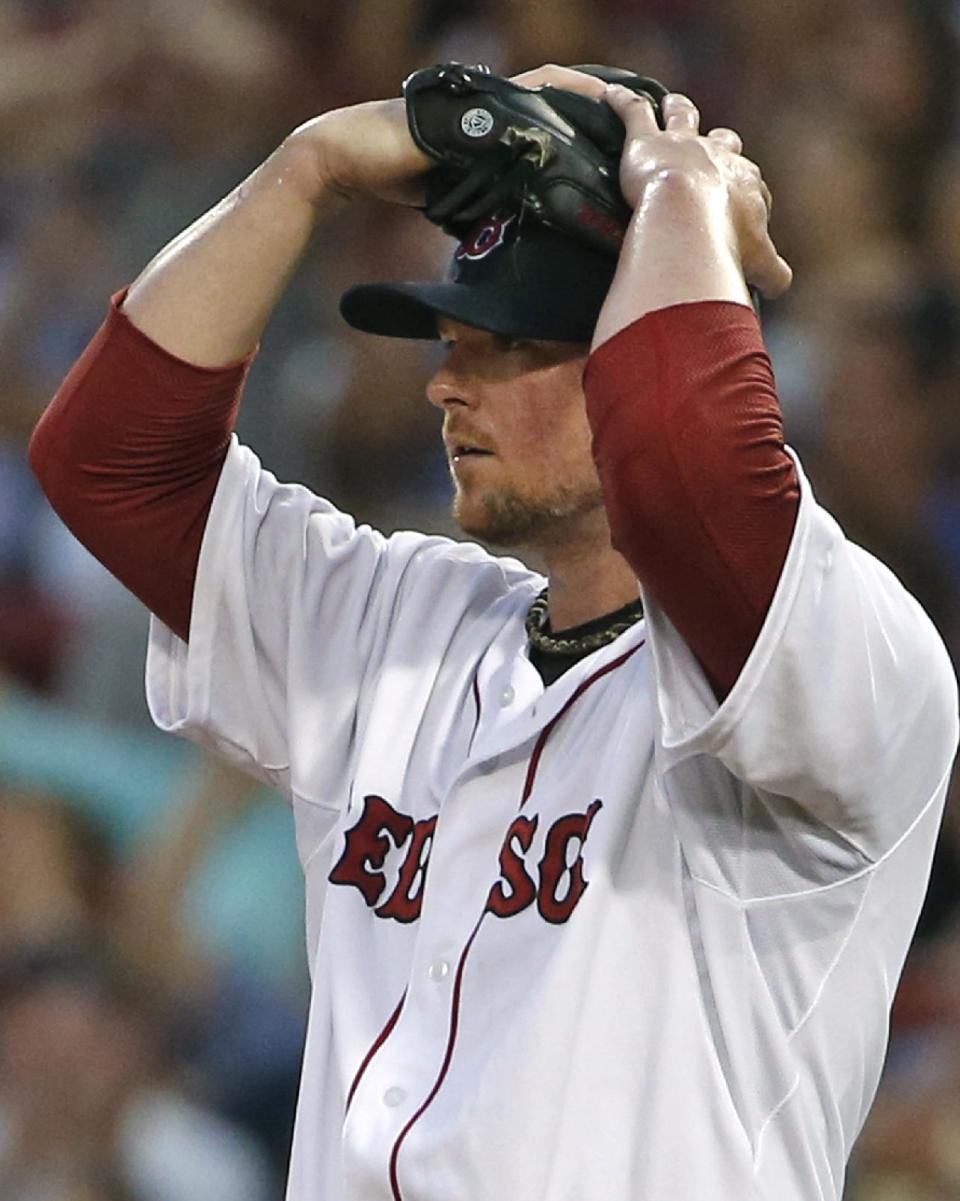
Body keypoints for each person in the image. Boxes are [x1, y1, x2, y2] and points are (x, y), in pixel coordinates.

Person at [29, 63, 959, 1201]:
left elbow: (678, 460)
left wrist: (674, 180)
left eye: (508, 345)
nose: (447, 385)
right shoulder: (404, 619)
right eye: (453, 339)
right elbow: (113, 462)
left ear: (626, 360)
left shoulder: (845, 645)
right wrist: (307, 167)